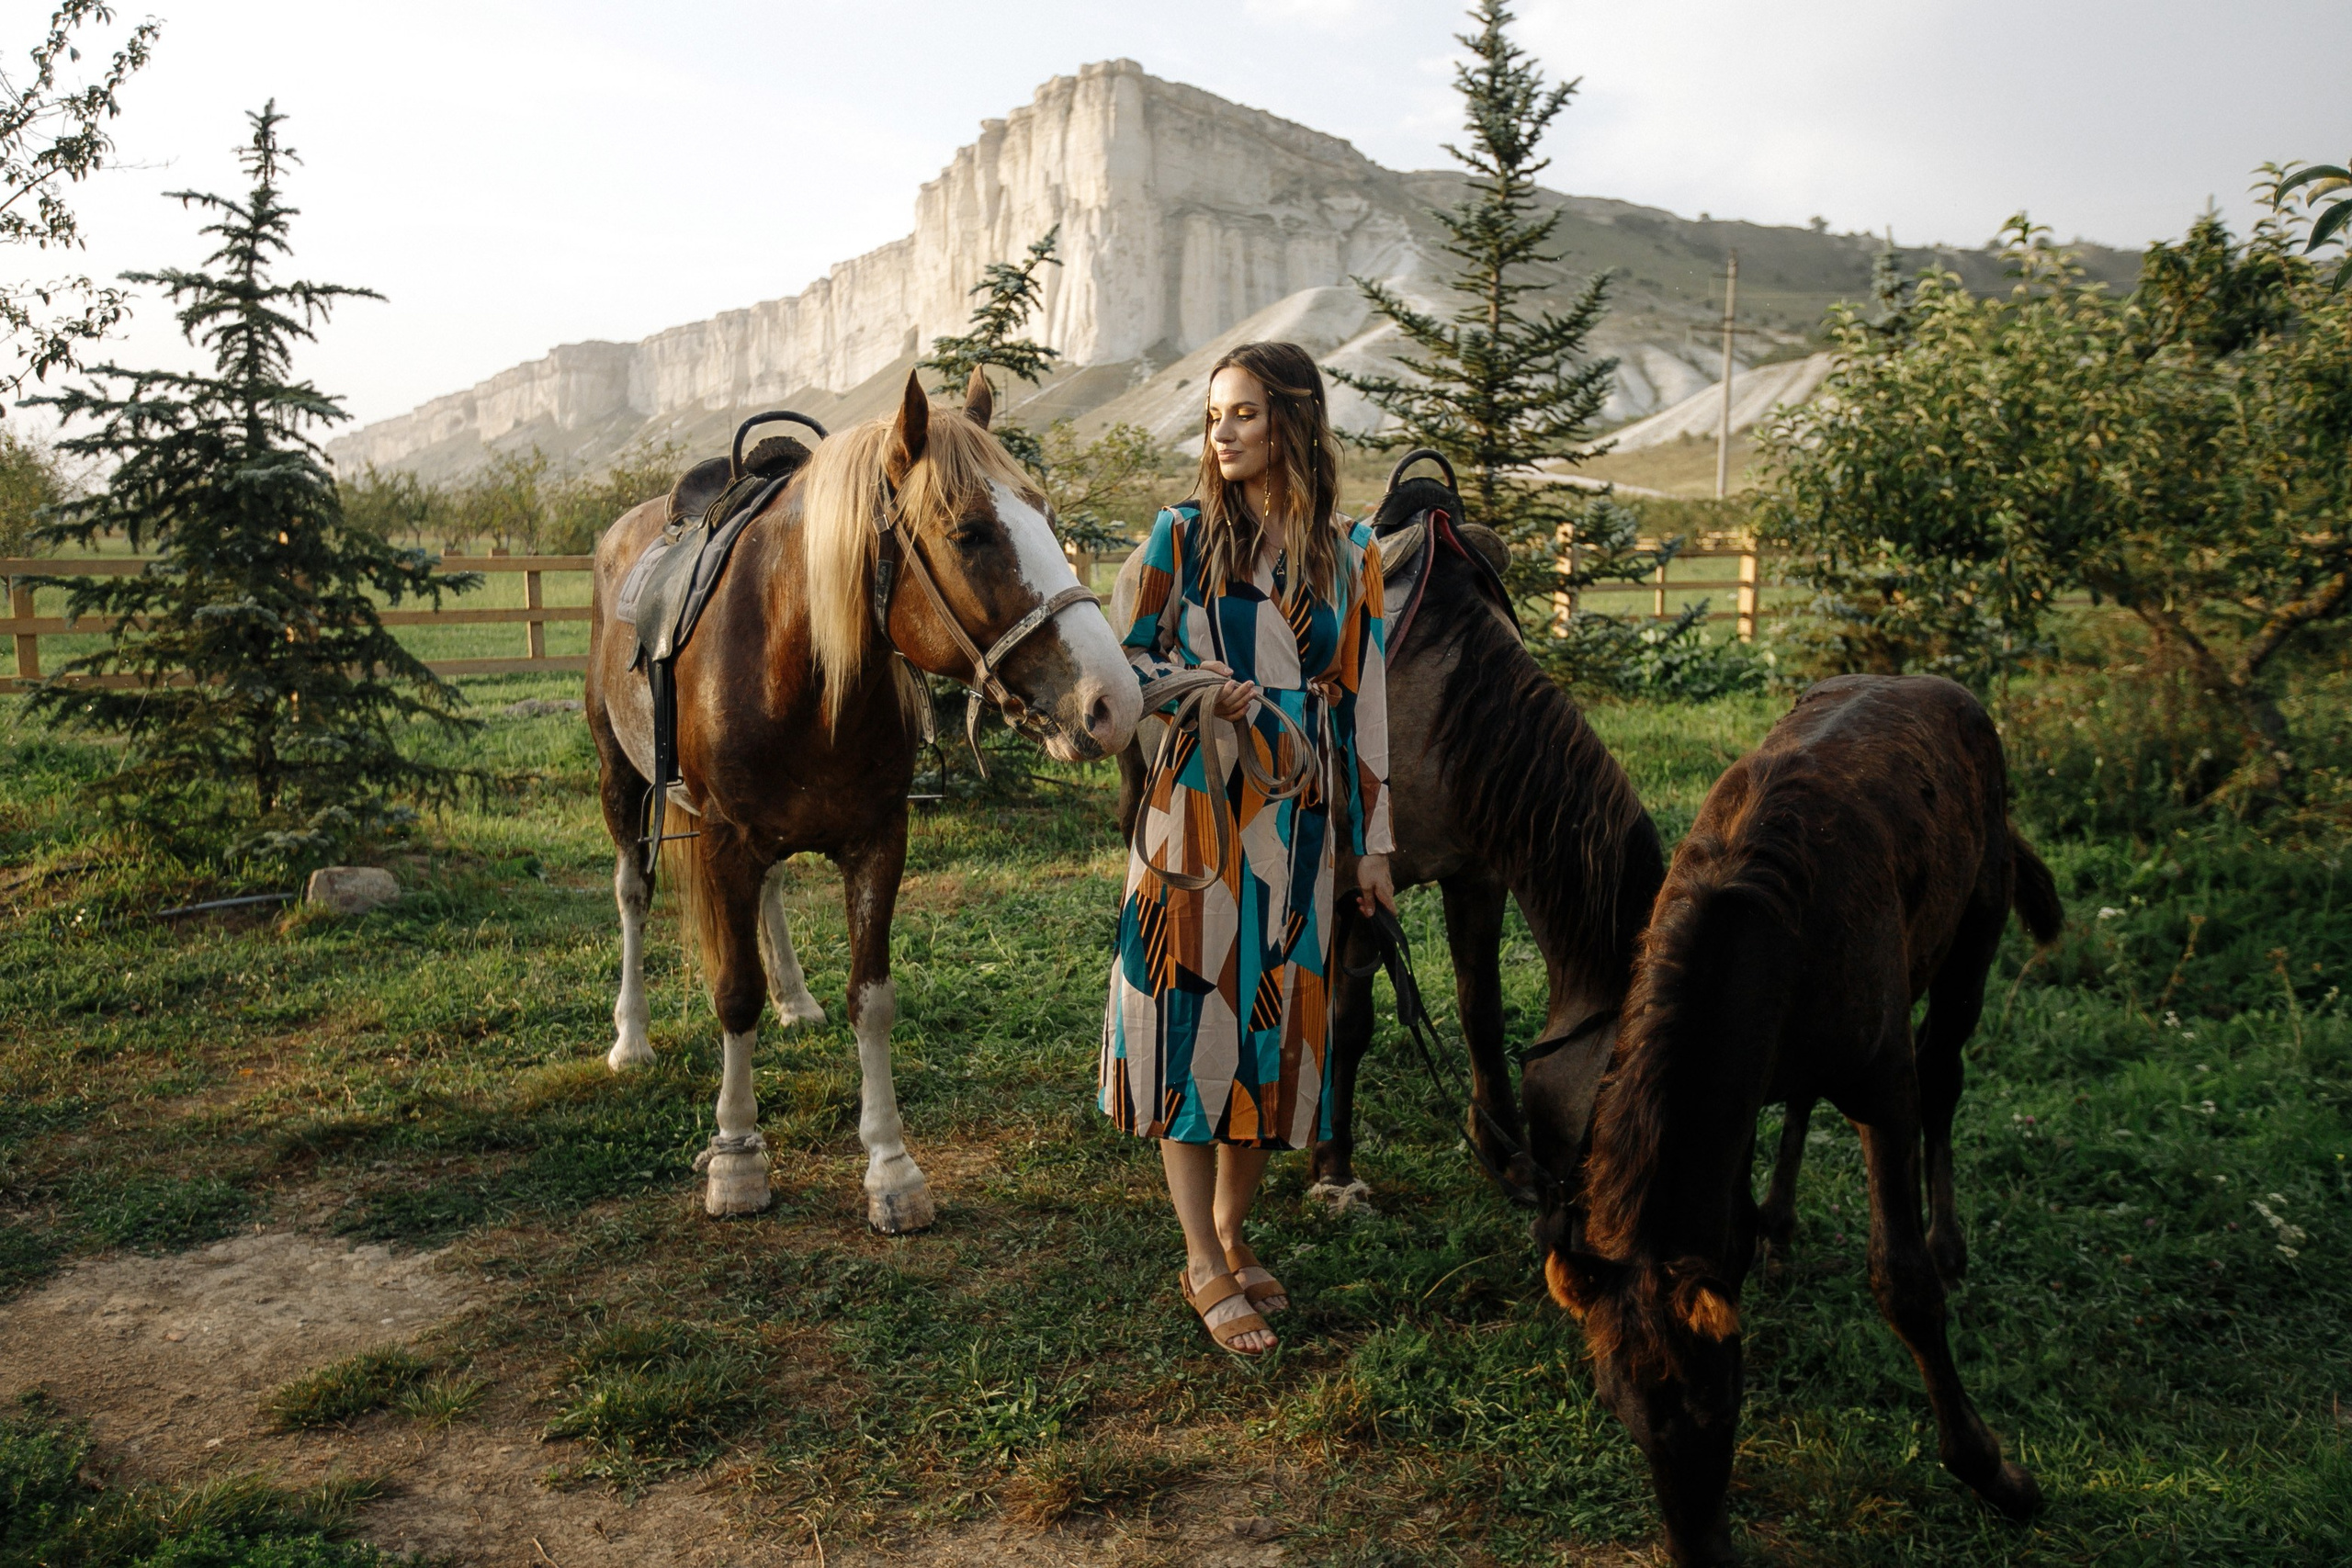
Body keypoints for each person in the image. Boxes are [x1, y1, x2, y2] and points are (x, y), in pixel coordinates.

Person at [1100, 340, 1396, 1356]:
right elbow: (1123, 659)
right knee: (1195, 1022)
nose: (1220, 433)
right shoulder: (1181, 538)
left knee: (1273, 1029)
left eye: (1244, 415)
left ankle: (1232, 1230)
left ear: (1294, 424)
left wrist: (1373, 850)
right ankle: (1198, 1258)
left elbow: (1364, 708)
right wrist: (1197, 686)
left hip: (1299, 826)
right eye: (1213, 416)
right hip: (1195, 812)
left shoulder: (1351, 555)